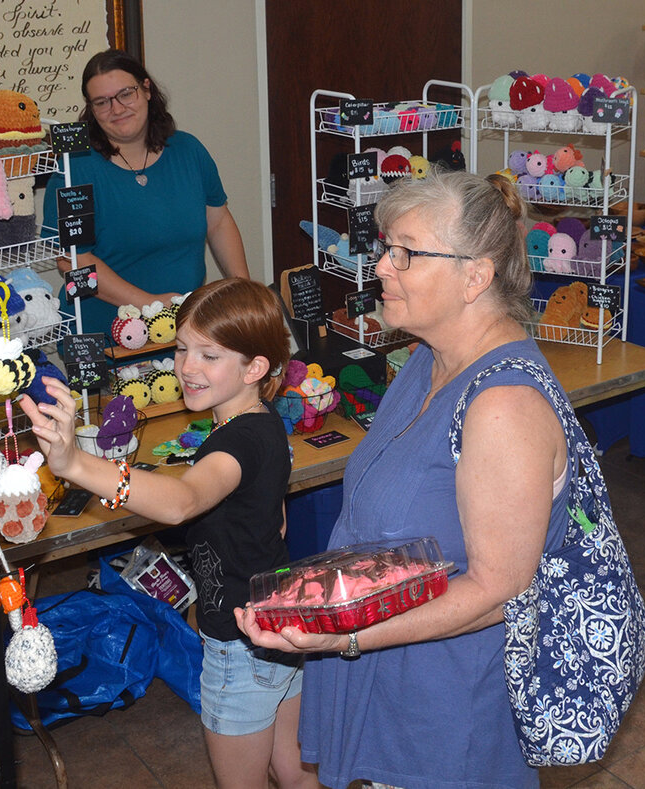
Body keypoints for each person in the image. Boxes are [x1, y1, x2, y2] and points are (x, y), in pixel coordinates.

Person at [234, 172, 572, 788]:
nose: (381, 268)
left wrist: (346, 638)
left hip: (447, 705)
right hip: (396, 667)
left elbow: (499, 591)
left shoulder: (503, 407)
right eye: (386, 249)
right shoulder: (427, 359)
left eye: (406, 254)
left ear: (476, 276)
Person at [20, 278, 316, 789]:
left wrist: (73, 463)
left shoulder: (237, 443)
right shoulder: (264, 423)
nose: (186, 367)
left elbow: (182, 503)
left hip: (240, 643)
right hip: (280, 626)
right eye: (181, 349)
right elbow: (276, 519)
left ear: (255, 368)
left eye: (209, 355)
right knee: (293, 770)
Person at [44, 50, 250, 336]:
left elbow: (218, 221)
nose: (116, 109)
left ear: (147, 89)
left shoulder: (188, 151)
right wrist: (148, 305)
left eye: (126, 94)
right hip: (106, 340)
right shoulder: (74, 169)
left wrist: (244, 292)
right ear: (91, 109)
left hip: (185, 333)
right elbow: (71, 261)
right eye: (102, 102)